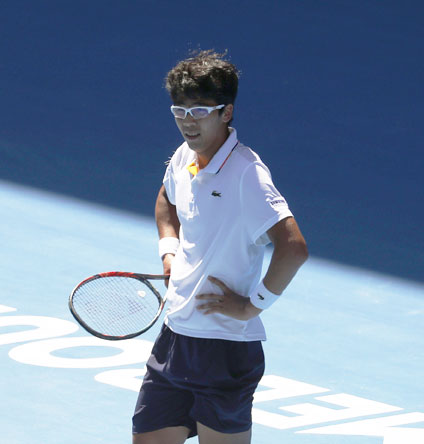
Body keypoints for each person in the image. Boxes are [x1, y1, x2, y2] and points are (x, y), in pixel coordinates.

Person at [132, 50, 309, 444]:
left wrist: (252, 305)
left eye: (199, 111)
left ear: (226, 113)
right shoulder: (184, 158)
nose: (186, 121)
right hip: (175, 334)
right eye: (179, 110)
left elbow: (293, 247)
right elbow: (166, 200)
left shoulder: (247, 173)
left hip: (224, 348)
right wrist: (169, 251)